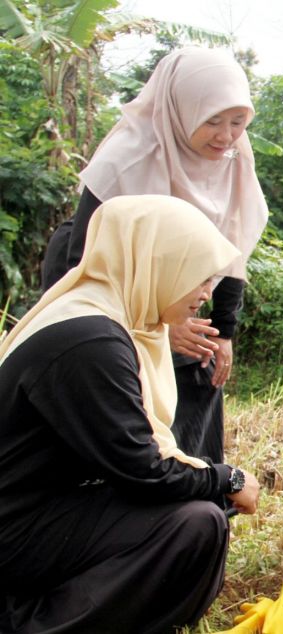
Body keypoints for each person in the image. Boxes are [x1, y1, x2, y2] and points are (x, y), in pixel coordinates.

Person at [0, 195, 261, 633]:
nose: (205, 295)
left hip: (36, 509)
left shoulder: (101, 314)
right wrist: (227, 477)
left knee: (191, 511)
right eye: (198, 277)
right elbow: (144, 470)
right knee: (197, 523)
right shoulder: (91, 341)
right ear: (157, 263)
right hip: (15, 529)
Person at [40, 47, 269, 465]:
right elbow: (87, 264)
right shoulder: (128, 157)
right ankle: (140, 491)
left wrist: (225, 332)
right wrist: (161, 328)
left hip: (178, 287)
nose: (226, 136)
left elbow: (232, 244)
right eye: (212, 120)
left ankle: (200, 495)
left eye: (238, 122)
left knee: (202, 362)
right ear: (181, 111)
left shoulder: (235, 159)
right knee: (120, 388)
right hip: (103, 285)